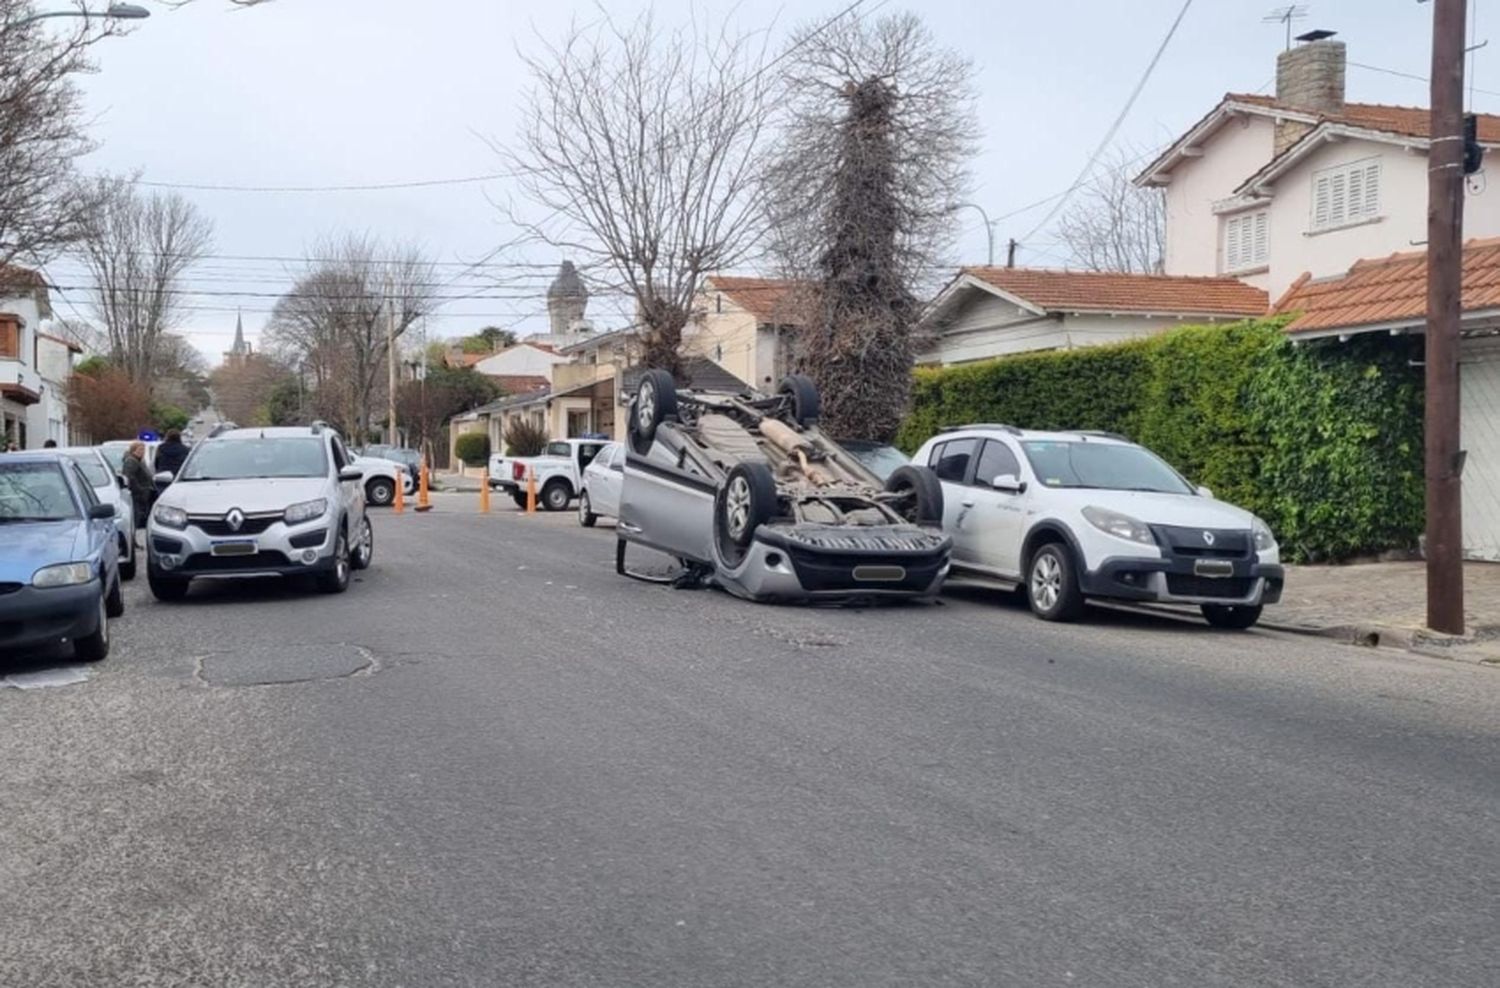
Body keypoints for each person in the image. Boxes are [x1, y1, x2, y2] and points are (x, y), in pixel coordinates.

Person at [120, 441, 154, 527]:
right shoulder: (131, 461)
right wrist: (140, 490)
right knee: (136, 517)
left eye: (143, 450)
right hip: (137, 495)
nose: (142, 452)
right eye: (140, 450)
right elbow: (130, 477)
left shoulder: (139, 461)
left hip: (143, 493)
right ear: (133, 450)